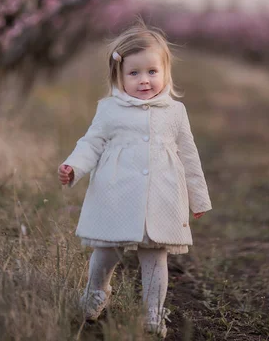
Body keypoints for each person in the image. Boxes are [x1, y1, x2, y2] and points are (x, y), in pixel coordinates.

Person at [58, 21, 212, 338]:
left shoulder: (175, 111)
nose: (144, 80)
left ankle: (153, 314)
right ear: (119, 75)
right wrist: (74, 166)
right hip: (116, 194)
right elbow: (91, 143)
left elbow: (189, 155)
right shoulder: (109, 109)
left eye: (152, 72)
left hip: (162, 196)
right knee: (105, 252)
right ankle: (96, 294)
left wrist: (198, 198)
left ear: (165, 72)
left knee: (156, 258)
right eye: (134, 73)